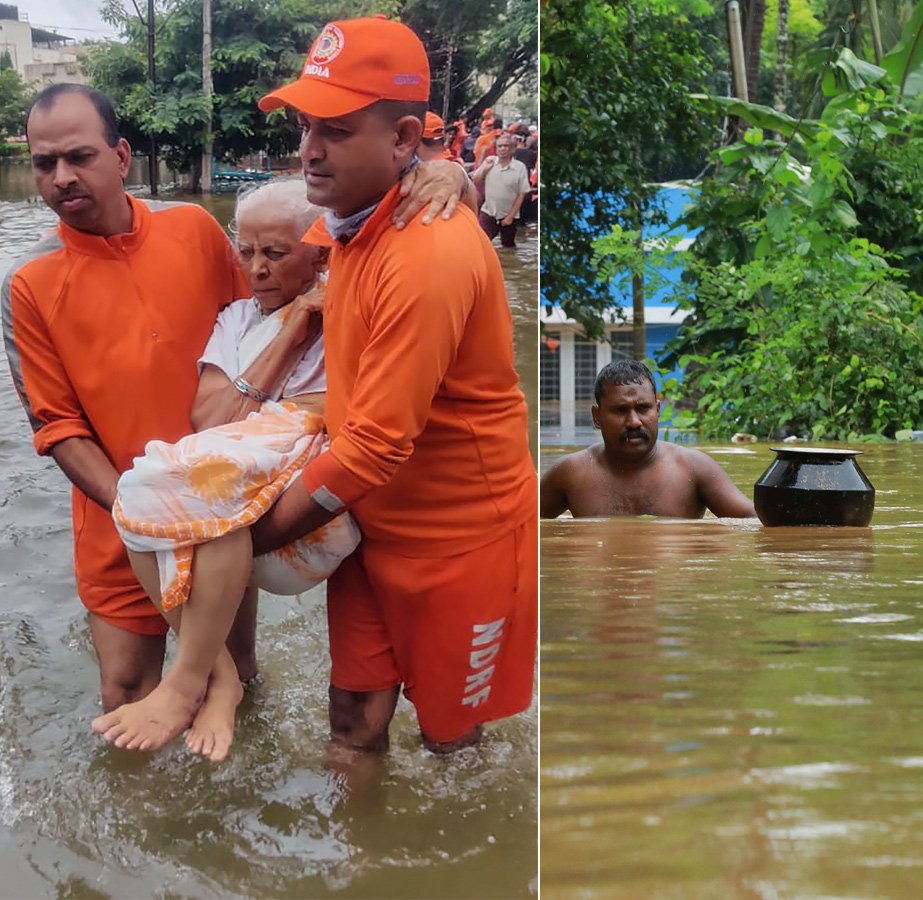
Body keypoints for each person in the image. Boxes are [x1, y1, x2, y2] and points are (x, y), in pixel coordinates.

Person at [2, 83, 471, 746]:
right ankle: (140, 842)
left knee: (241, 680)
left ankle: (229, 823)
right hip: (119, 529)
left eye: (78, 156)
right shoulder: (28, 282)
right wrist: (150, 518)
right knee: (126, 694)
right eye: (44, 162)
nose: (60, 177)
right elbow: (57, 428)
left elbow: (274, 301)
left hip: (227, 514)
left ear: (122, 156)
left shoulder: (192, 229)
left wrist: (441, 172)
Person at [251, 16, 537, 756]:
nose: (309, 147)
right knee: (350, 719)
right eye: (307, 124)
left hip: (459, 542)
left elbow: (377, 443)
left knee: (453, 740)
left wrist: (238, 538)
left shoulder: (427, 250)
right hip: (365, 528)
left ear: (406, 139)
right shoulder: (348, 222)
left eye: (337, 129)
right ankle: (361, 868)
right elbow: (256, 268)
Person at [91, 179, 354, 763]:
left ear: (320, 252)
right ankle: (222, 676)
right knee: (137, 496)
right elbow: (207, 419)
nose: (255, 269)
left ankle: (189, 681)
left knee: (201, 488)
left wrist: (453, 175)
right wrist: (289, 333)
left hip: (308, 525)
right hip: (236, 502)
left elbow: (351, 413)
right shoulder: (238, 318)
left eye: (275, 253)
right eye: (246, 252)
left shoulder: (355, 308)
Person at [540, 359, 758, 519]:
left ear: (658, 410)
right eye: (620, 410)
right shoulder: (570, 473)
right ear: (597, 417)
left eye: (643, 408)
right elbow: (522, 526)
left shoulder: (694, 468)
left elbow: (755, 523)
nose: (634, 421)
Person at [473, 133, 530, 248]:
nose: (503, 149)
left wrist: (510, 217)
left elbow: (521, 194)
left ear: (513, 149)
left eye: (506, 146)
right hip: (488, 212)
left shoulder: (520, 167)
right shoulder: (490, 163)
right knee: (481, 242)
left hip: (509, 215)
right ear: (496, 149)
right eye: (500, 146)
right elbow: (475, 180)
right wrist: (484, 169)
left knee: (508, 247)